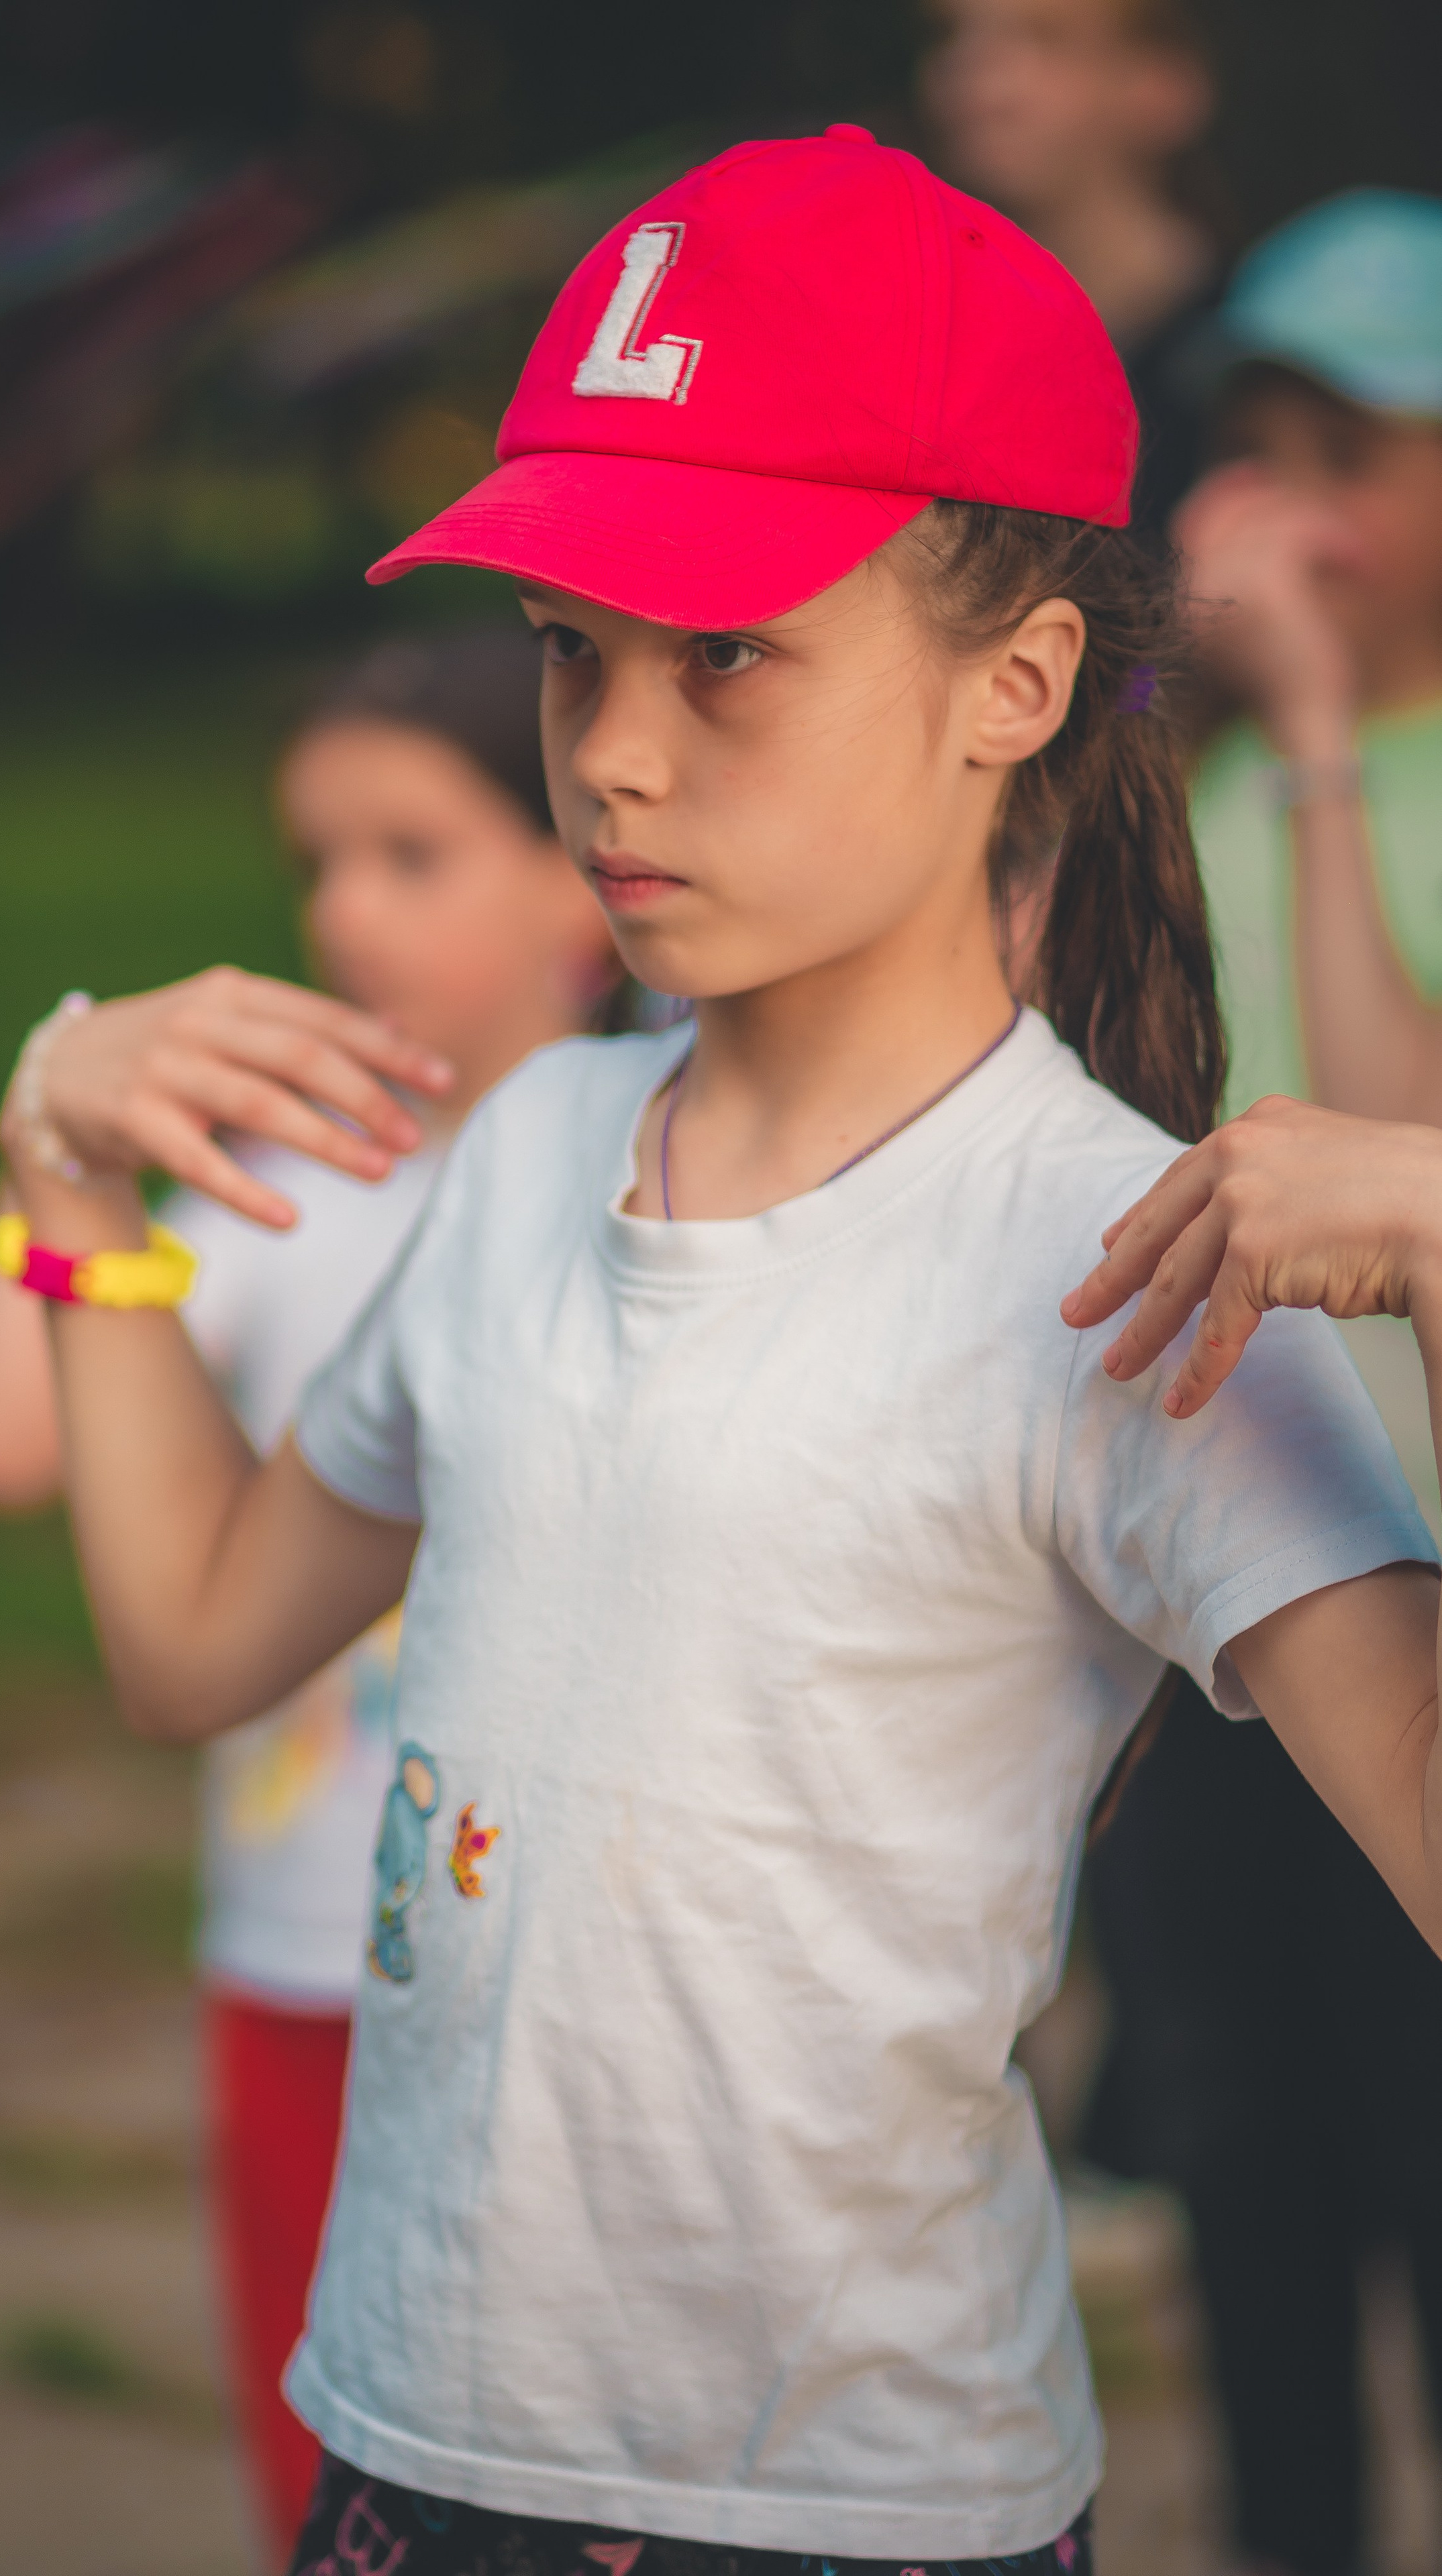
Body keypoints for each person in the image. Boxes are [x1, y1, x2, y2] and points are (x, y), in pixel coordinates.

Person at [0, 131, 1442, 2576]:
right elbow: (193, 1644)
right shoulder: (530, 1150)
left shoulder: (1120, 1265)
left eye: (726, 651)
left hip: (854, 2523)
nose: (616, 754)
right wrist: (71, 1201)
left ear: (1016, 683)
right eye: (570, 646)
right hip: (393, 2450)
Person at [0, 626, 613, 2566]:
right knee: (323, 2464)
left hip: (565, 1982)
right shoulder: (271, 1182)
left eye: (413, 853)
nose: (341, 907)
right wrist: (63, 1125)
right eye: (317, 859)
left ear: (586, 867)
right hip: (307, 1945)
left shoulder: (667, 1172)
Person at [1076, 192, 1442, 2576]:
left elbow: (1391, 1128)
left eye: (1350, 440)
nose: (1287, 492)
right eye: (1258, 435)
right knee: (1241, 2188)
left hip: (1411, 1597)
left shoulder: (1358, 769)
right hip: (1213, 1602)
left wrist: (1316, 746)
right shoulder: (1161, 772)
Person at [921, 0, 1223, 527]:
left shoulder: (1250, 351)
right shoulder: (925, 337)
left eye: (1044, 40)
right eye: (953, 40)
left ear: (1164, 85)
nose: (977, 85)